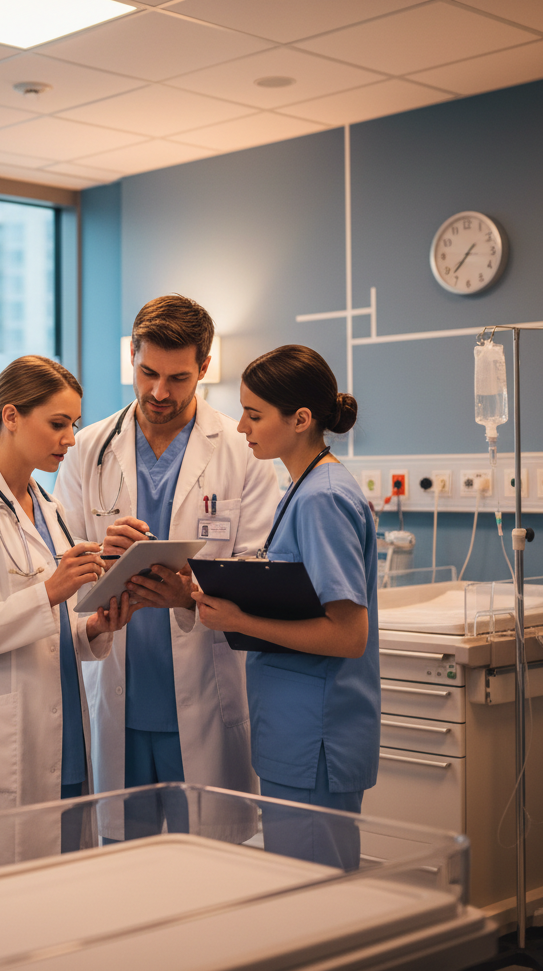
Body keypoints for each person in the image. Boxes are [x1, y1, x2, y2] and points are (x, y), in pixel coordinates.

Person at [55, 296, 278, 838]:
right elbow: (59, 565)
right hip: (116, 693)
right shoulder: (88, 448)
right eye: (147, 372)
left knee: (204, 872)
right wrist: (100, 555)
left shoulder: (242, 450)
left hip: (205, 687)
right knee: (122, 870)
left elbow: (259, 567)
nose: (159, 392)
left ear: (204, 367)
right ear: (132, 356)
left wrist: (188, 593)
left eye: (178, 378)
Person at [0, 355, 137, 876]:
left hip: (61, 739)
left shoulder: (50, 506)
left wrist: (94, 627)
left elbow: (53, 629)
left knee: (57, 908)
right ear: (11, 416)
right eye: (57, 424)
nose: (70, 438)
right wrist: (49, 592)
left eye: (75, 425)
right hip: (0, 744)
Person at [192, 344, 380, 869]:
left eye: (253, 415)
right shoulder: (304, 488)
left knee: (315, 900)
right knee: (298, 894)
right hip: (295, 733)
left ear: (300, 419)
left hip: (314, 737)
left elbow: (348, 635)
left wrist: (238, 620)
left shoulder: (323, 497)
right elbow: (302, 595)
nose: (240, 427)